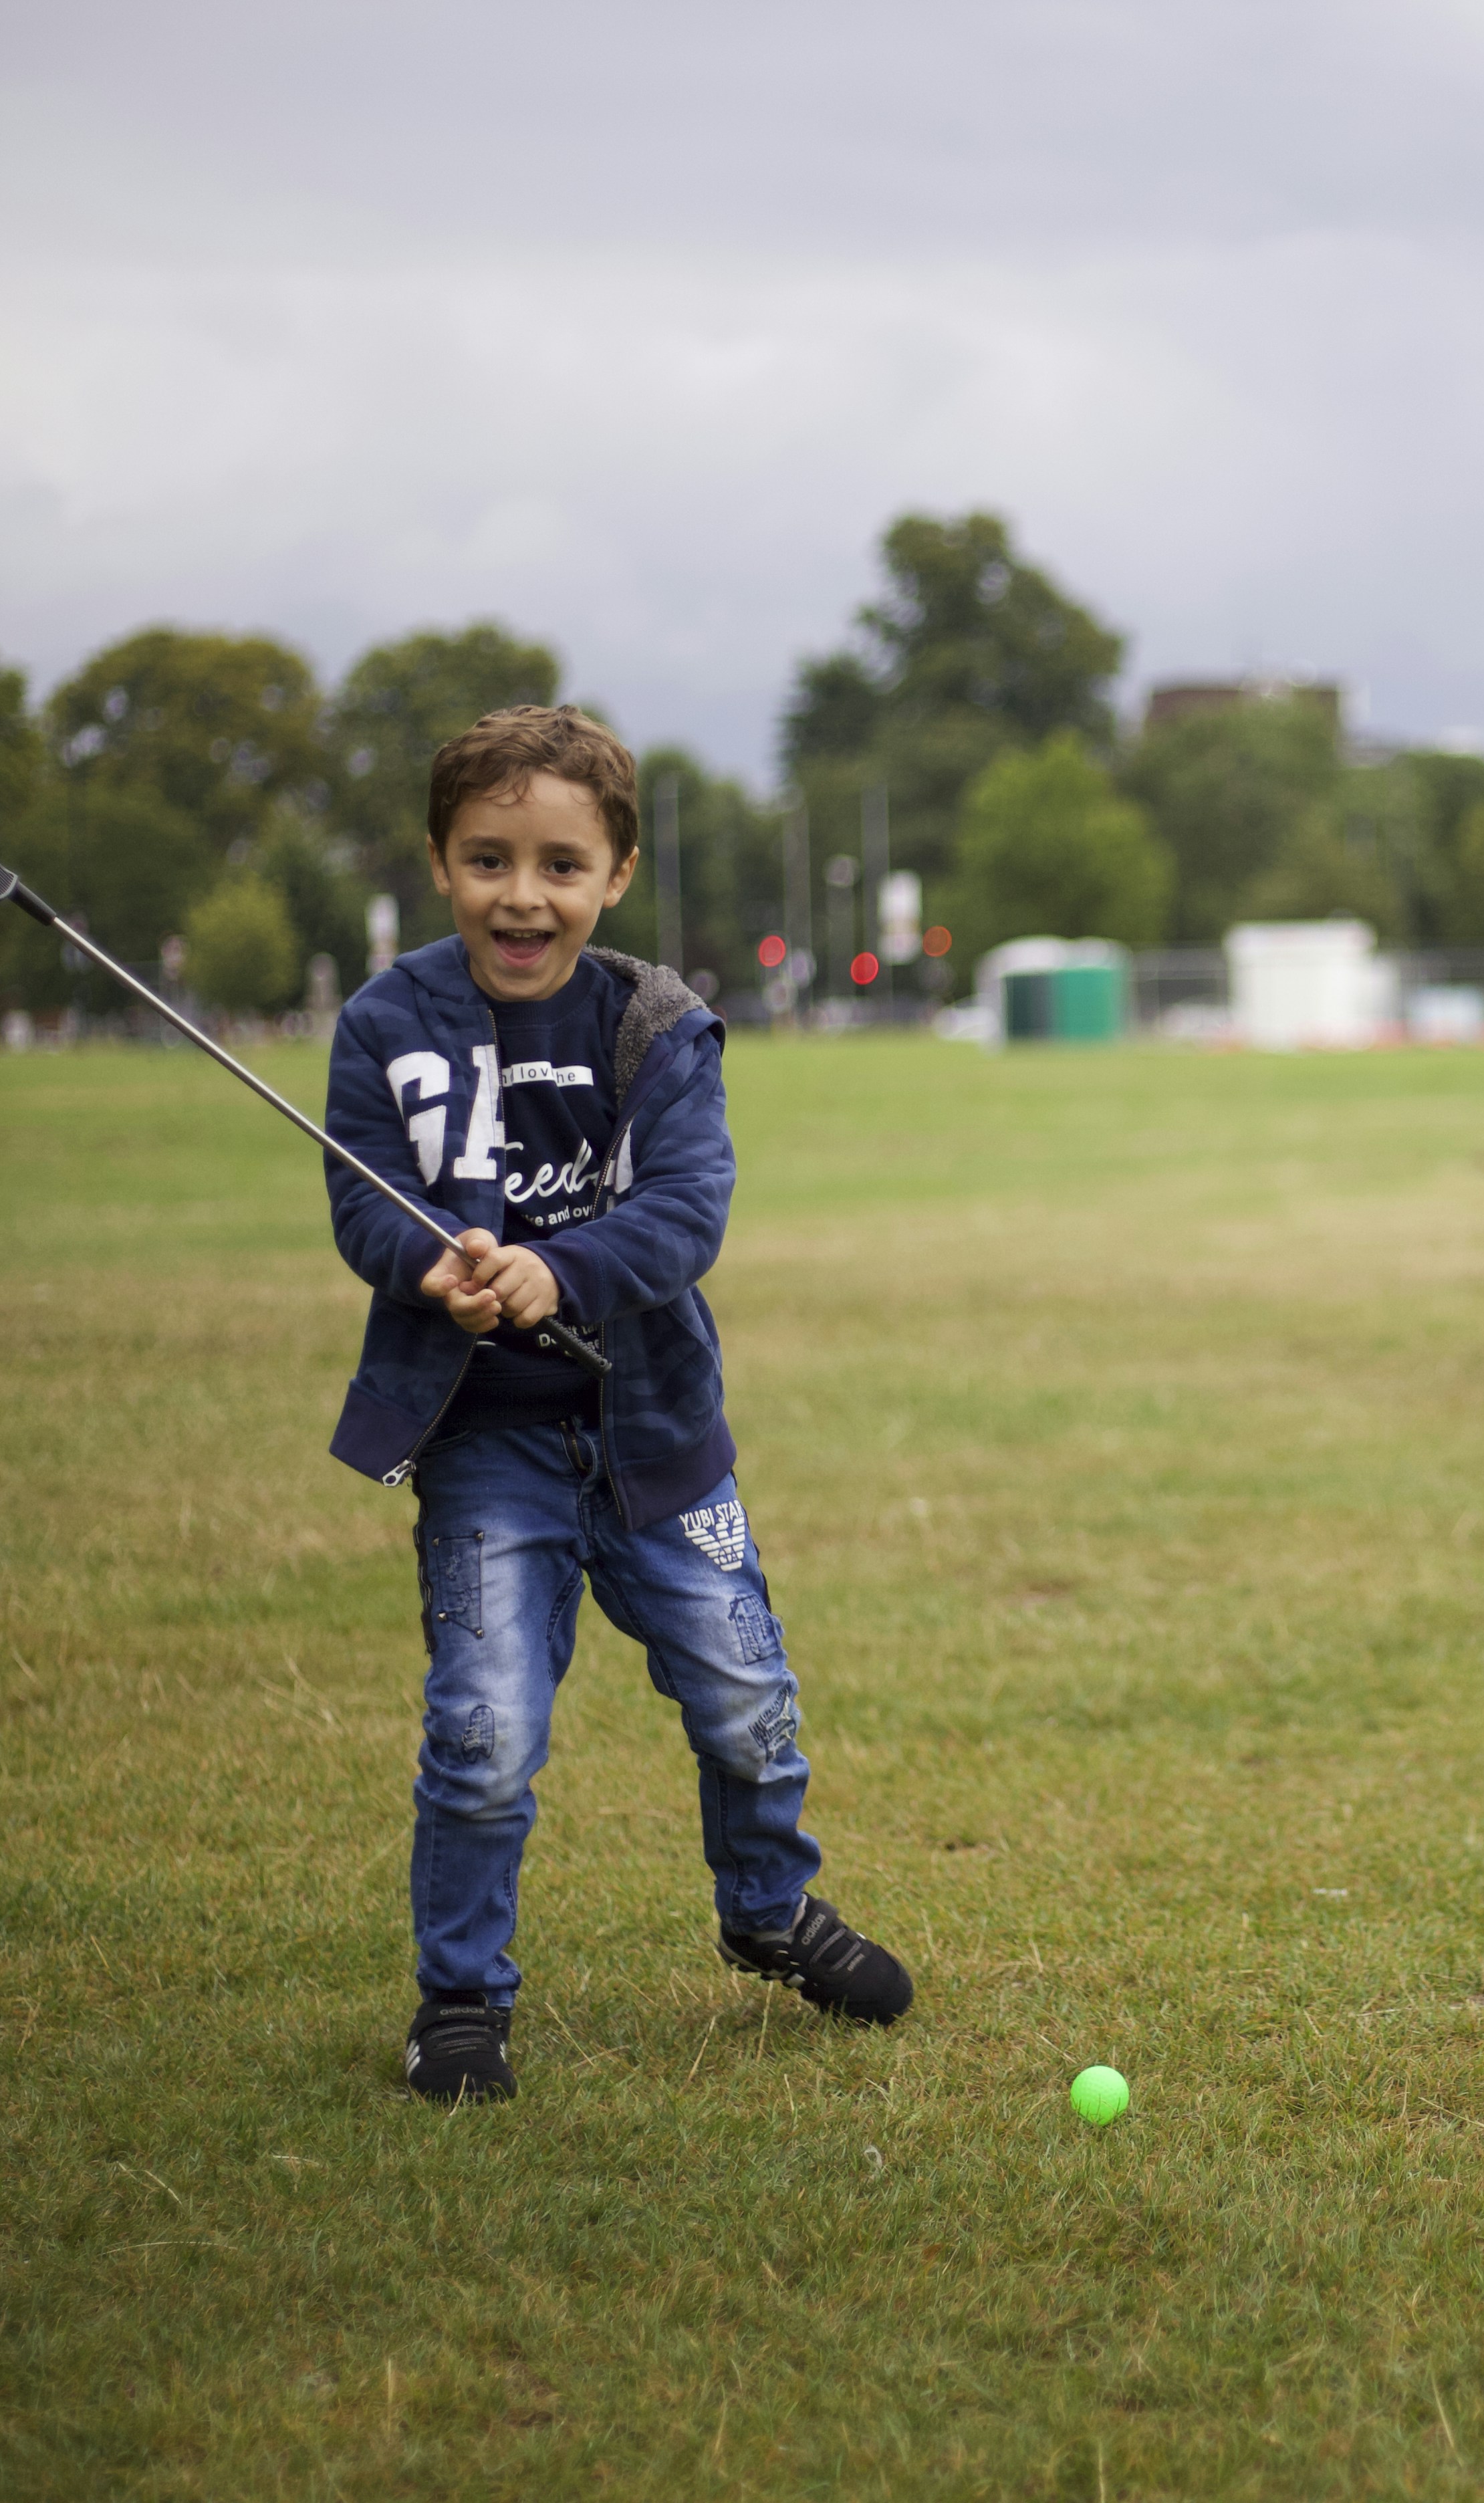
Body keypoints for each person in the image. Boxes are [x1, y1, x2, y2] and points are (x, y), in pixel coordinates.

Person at [320, 705, 908, 2104]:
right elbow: (359, 1200)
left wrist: (555, 1268)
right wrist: (432, 1268)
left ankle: (767, 1913)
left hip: (656, 1443)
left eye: (561, 865)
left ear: (617, 873)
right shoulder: (387, 1020)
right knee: (484, 1733)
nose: (524, 895)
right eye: (488, 859)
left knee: (748, 1699)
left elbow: (688, 1211)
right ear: (438, 862)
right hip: (485, 1451)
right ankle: (461, 2000)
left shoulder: (657, 1024)